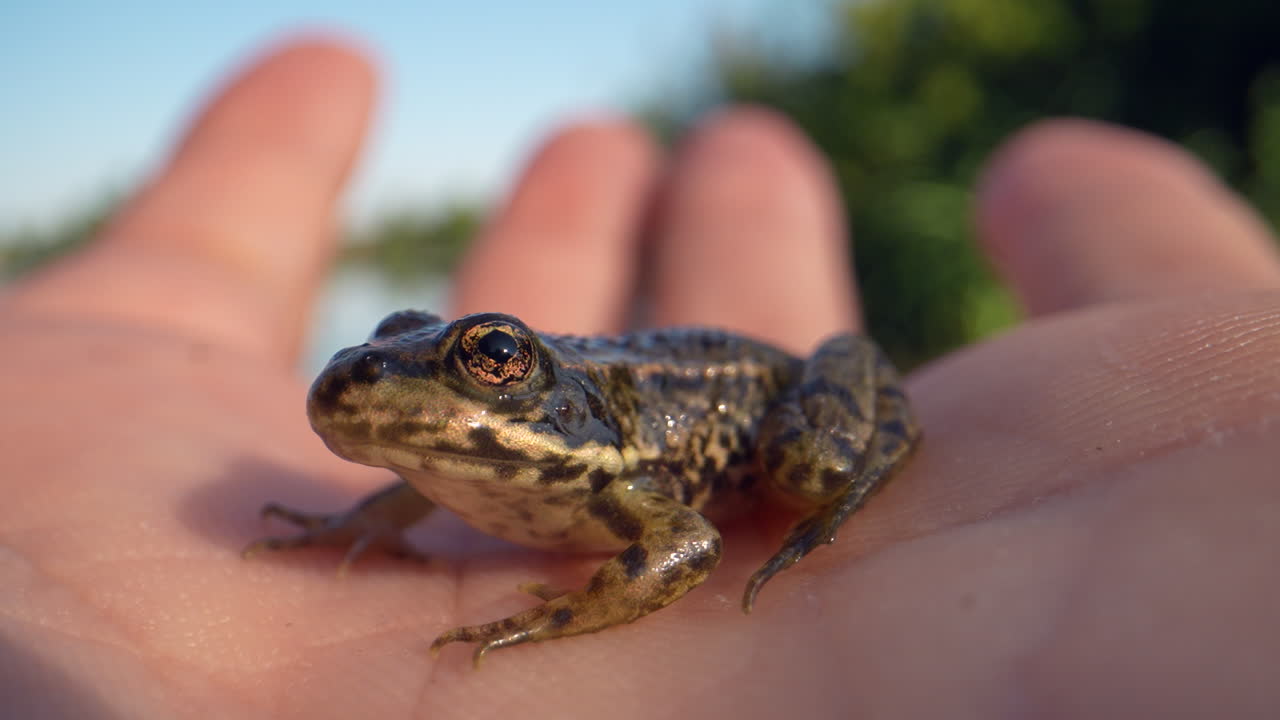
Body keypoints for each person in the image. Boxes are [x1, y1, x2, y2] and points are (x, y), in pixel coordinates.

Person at [2, 37, 1277, 719]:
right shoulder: (442, 462)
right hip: (656, 382)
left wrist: (555, 616)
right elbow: (418, 478)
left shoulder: (626, 480)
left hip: (751, 392)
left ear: (521, 379)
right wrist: (357, 518)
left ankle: (846, 470)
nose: (402, 386)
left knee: (807, 466)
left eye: (485, 360)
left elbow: (671, 548)